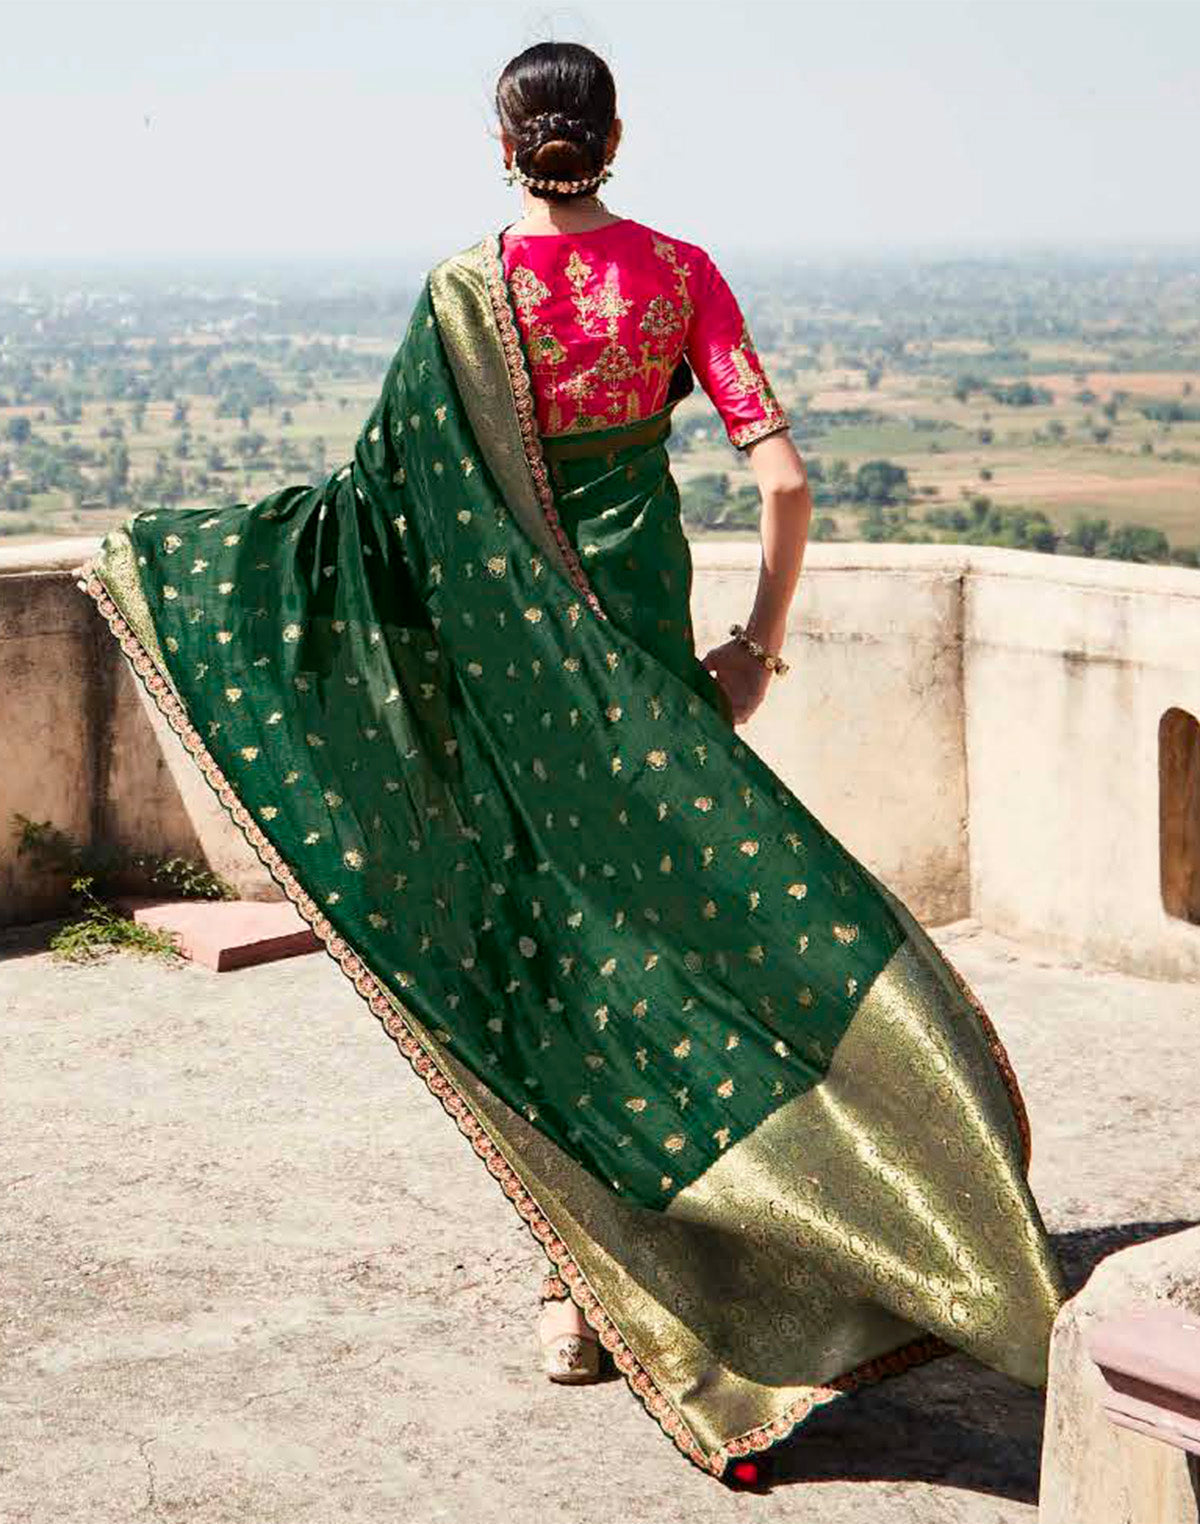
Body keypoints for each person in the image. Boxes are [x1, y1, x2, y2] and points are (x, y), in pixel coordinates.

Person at [75, 39, 1067, 1492]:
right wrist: (754, 650)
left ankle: (589, 1298)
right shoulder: (678, 276)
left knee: (557, 972)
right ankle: (840, 1234)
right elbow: (781, 479)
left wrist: (183, 569)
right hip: (655, 669)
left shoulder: (465, 295)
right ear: (617, 135)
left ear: (502, 144)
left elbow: (380, 509)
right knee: (698, 961)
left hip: (516, 693)